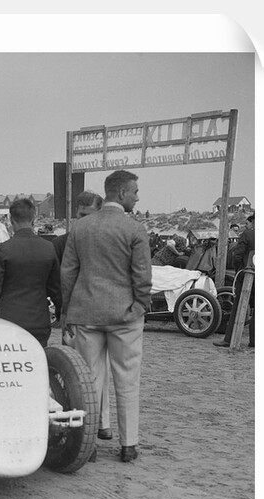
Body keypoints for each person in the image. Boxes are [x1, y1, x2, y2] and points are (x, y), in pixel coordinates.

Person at [61, 170, 152, 463]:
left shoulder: (80, 227)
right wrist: (140, 305)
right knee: (127, 379)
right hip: (125, 314)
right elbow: (142, 275)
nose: (137, 197)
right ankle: (129, 445)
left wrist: (67, 309)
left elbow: (68, 272)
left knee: (89, 380)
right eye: (135, 192)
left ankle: (90, 444)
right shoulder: (135, 229)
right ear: (122, 194)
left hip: (86, 312)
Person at [52, 190, 111, 440]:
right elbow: (58, 282)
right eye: (79, 215)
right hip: (75, 314)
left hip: (99, 313)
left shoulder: (108, 240)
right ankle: (93, 423)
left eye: (86, 214)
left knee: (97, 370)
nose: (81, 219)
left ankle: (99, 423)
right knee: (77, 371)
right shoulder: (62, 242)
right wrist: (63, 311)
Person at [0, 197, 61, 347]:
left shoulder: (4, 249)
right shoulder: (48, 248)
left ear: (11, 220)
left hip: (9, 320)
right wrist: (59, 312)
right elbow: (55, 289)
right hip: (39, 320)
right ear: (34, 219)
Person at [214, 211, 255, 348]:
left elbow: (237, 256)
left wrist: (239, 270)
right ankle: (254, 340)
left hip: (245, 275)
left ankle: (229, 338)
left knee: (237, 306)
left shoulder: (247, 235)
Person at [53, 191, 104, 264]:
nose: (84, 220)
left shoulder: (107, 245)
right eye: (82, 215)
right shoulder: (59, 245)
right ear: (76, 212)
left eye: (89, 216)